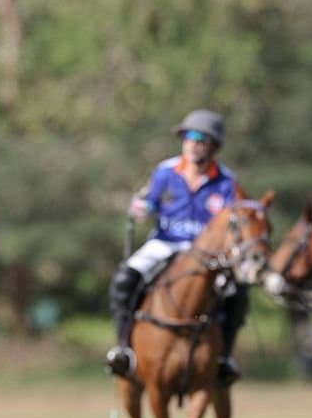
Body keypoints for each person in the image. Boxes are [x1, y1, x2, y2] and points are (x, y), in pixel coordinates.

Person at [105, 109, 247, 385]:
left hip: (207, 254)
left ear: (214, 146)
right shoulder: (165, 171)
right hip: (165, 244)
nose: (192, 143)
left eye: (200, 139)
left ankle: (224, 357)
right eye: (188, 137)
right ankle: (124, 347)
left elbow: (234, 222)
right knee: (124, 278)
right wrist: (140, 208)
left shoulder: (227, 181)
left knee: (237, 293)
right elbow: (148, 202)